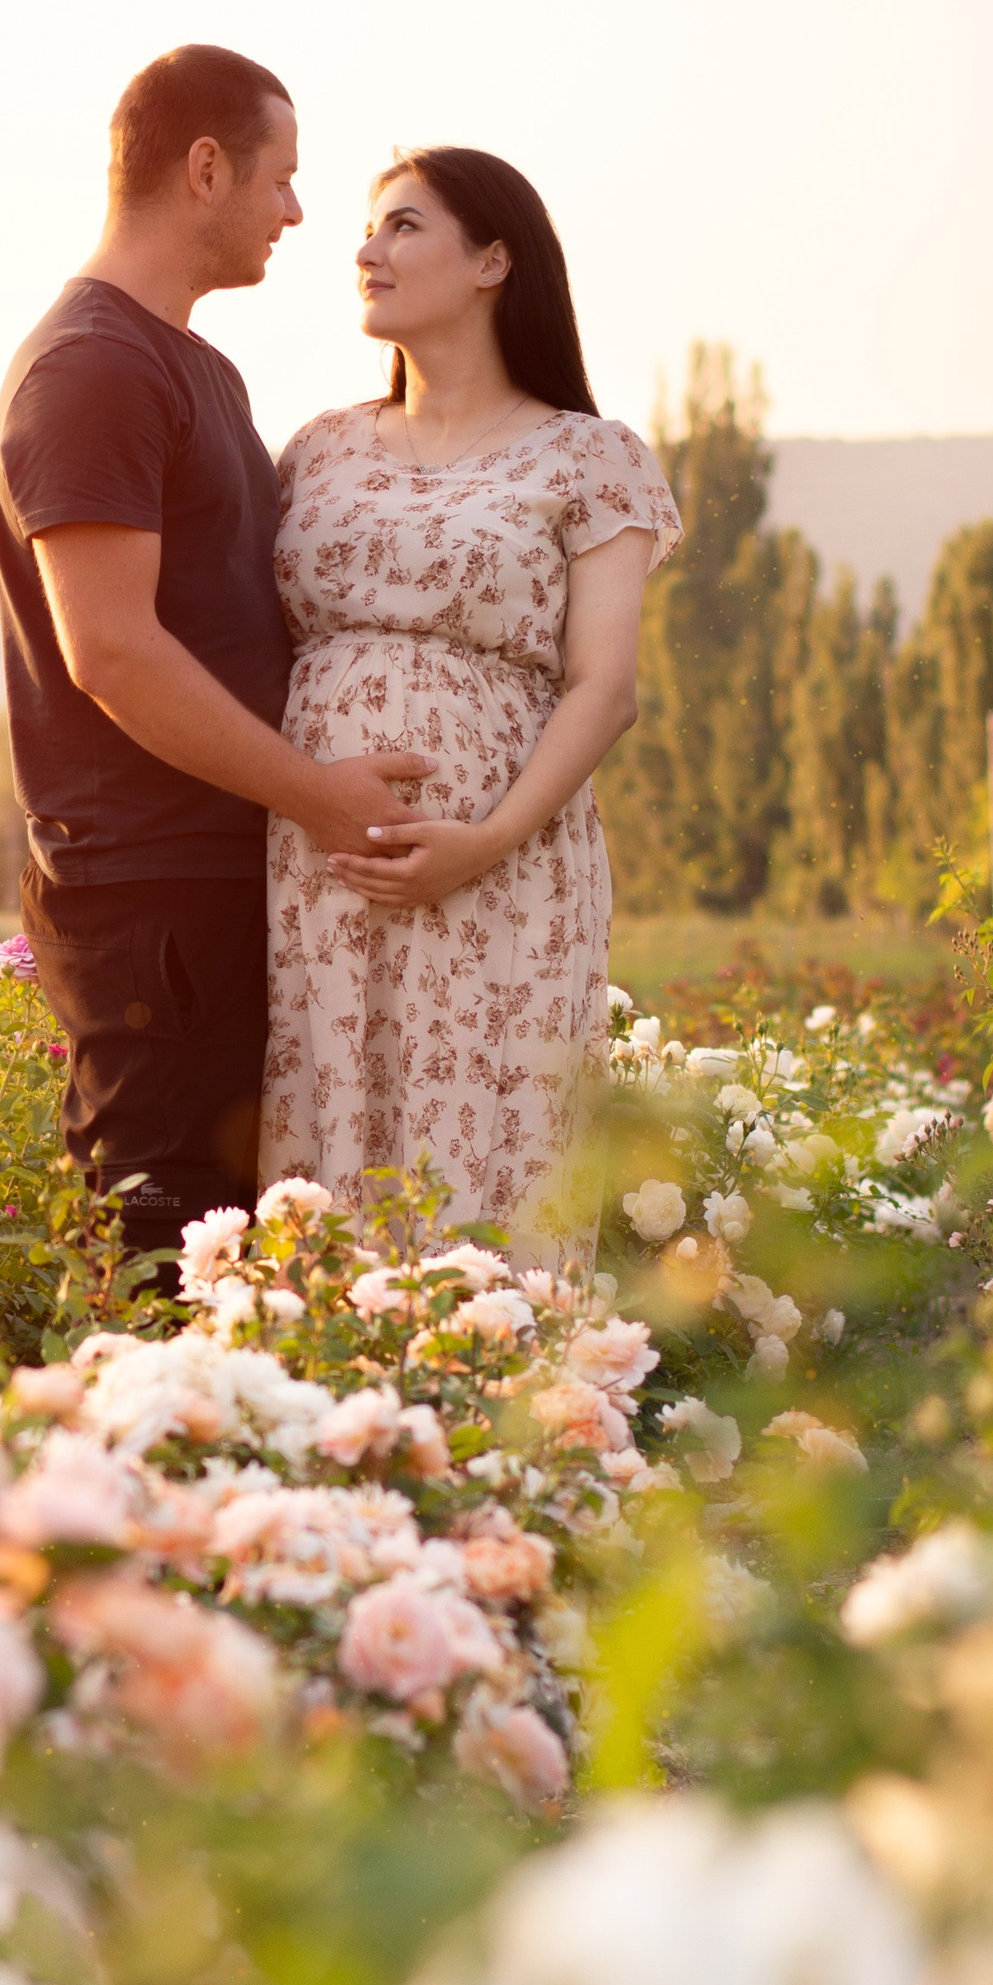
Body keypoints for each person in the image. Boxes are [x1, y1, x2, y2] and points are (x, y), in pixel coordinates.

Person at [0, 46, 428, 1254]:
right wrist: (320, 795)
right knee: (162, 1245)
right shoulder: (92, 368)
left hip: (215, 878)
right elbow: (112, 651)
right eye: (281, 178)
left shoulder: (192, 366)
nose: (297, 212)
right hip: (152, 894)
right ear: (204, 168)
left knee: (235, 1243)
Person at [259, 145, 680, 1250]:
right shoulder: (317, 449)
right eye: (369, 228)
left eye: (403, 226)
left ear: (494, 260)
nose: (366, 250)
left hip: (507, 868)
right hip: (321, 866)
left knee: (488, 1175)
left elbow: (605, 688)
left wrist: (484, 841)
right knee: (329, 1158)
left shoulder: (590, 457)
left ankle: (503, 1363)